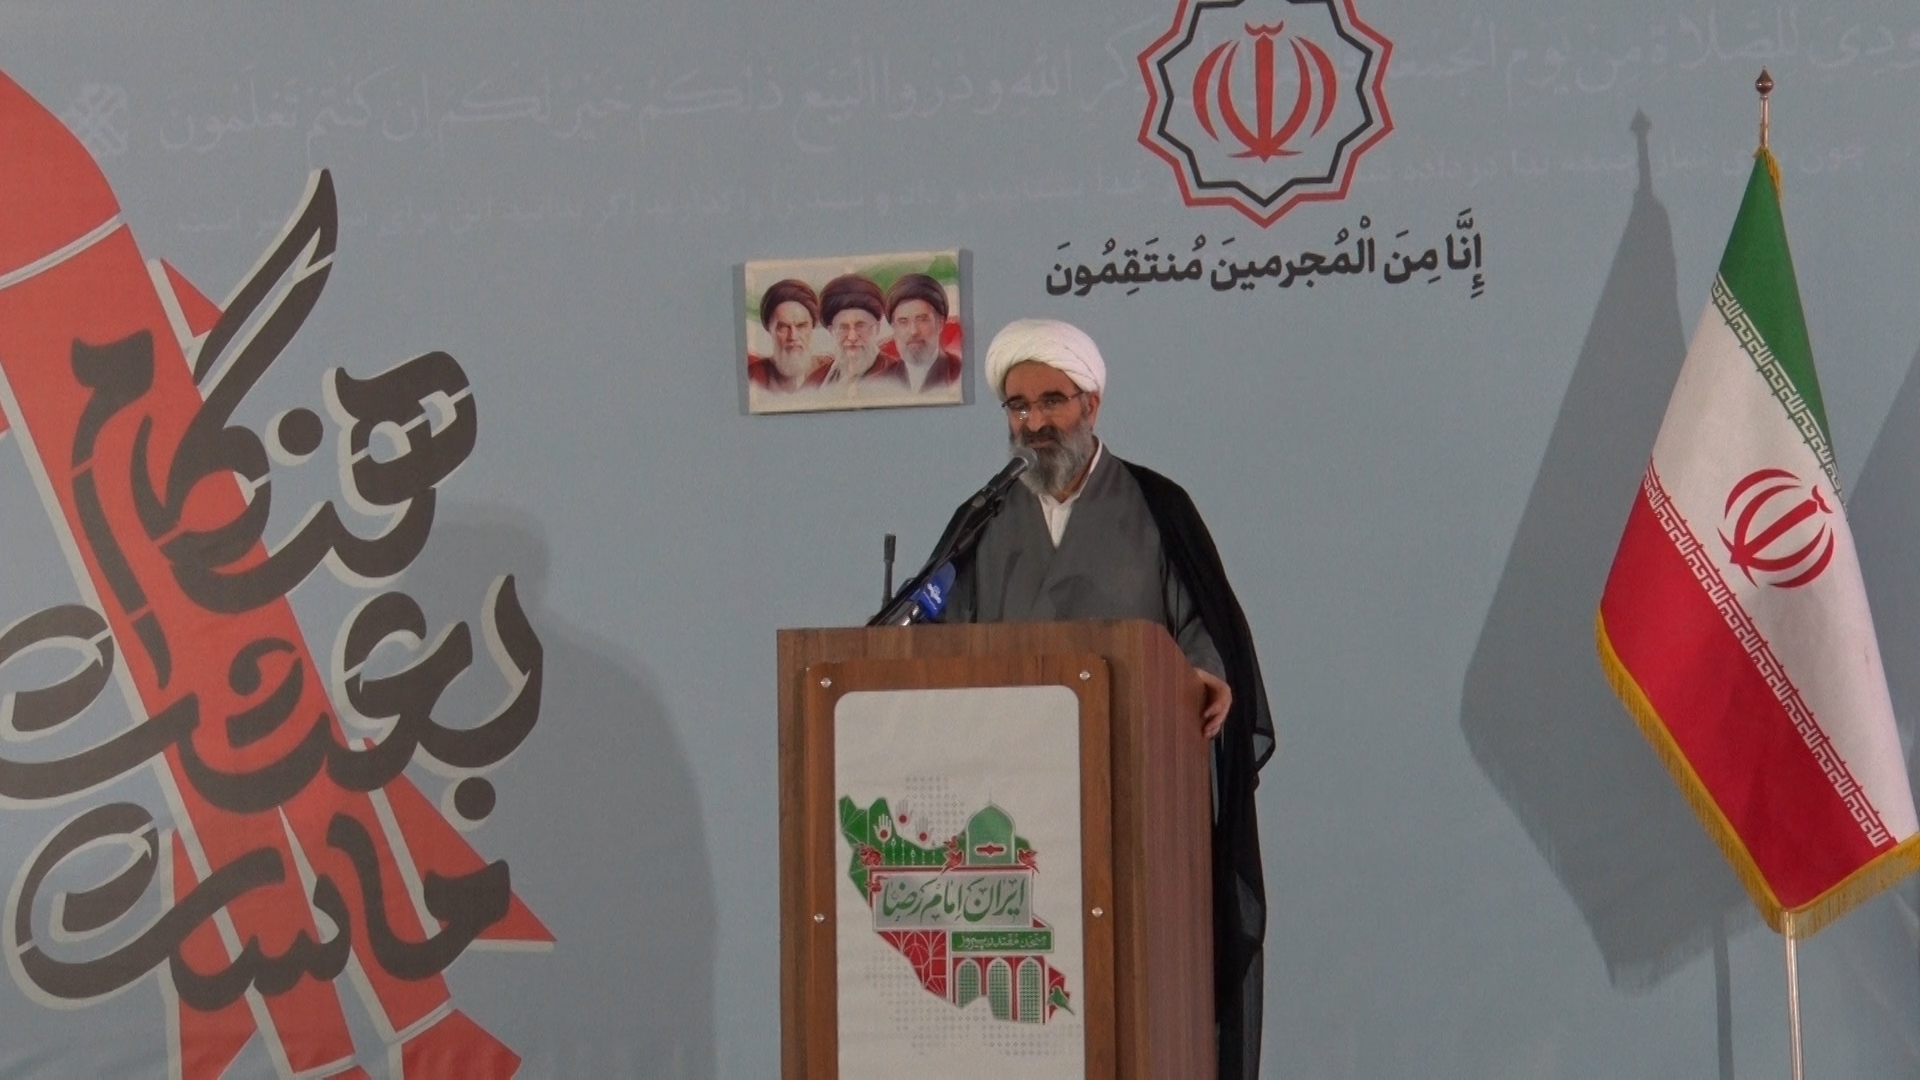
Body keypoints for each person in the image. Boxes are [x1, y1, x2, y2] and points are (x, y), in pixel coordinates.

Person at [940, 317, 1274, 1080]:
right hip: (1014, 802)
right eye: (1018, 406)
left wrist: (1202, 673)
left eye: (1051, 401)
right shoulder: (984, 517)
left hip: (1136, 792)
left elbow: (1202, 626)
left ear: (1090, 404)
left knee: (1131, 996)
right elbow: (947, 637)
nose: (1034, 423)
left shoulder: (1157, 504)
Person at [818, 274, 905, 390]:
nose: (852, 337)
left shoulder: (898, 376)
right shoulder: (817, 378)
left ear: (877, 328)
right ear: (831, 331)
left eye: (860, 326)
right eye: (843, 327)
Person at [748, 279, 833, 392]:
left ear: (812, 327)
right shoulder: (753, 375)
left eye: (801, 326)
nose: (793, 336)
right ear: (769, 329)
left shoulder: (832, 374)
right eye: (783, 327)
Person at [883, 273, 963, 393]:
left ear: (940, 324)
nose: (913, 331)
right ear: (893, 328)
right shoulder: (882, 380)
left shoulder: (959, 373)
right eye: (903, 321)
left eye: (922, 320)